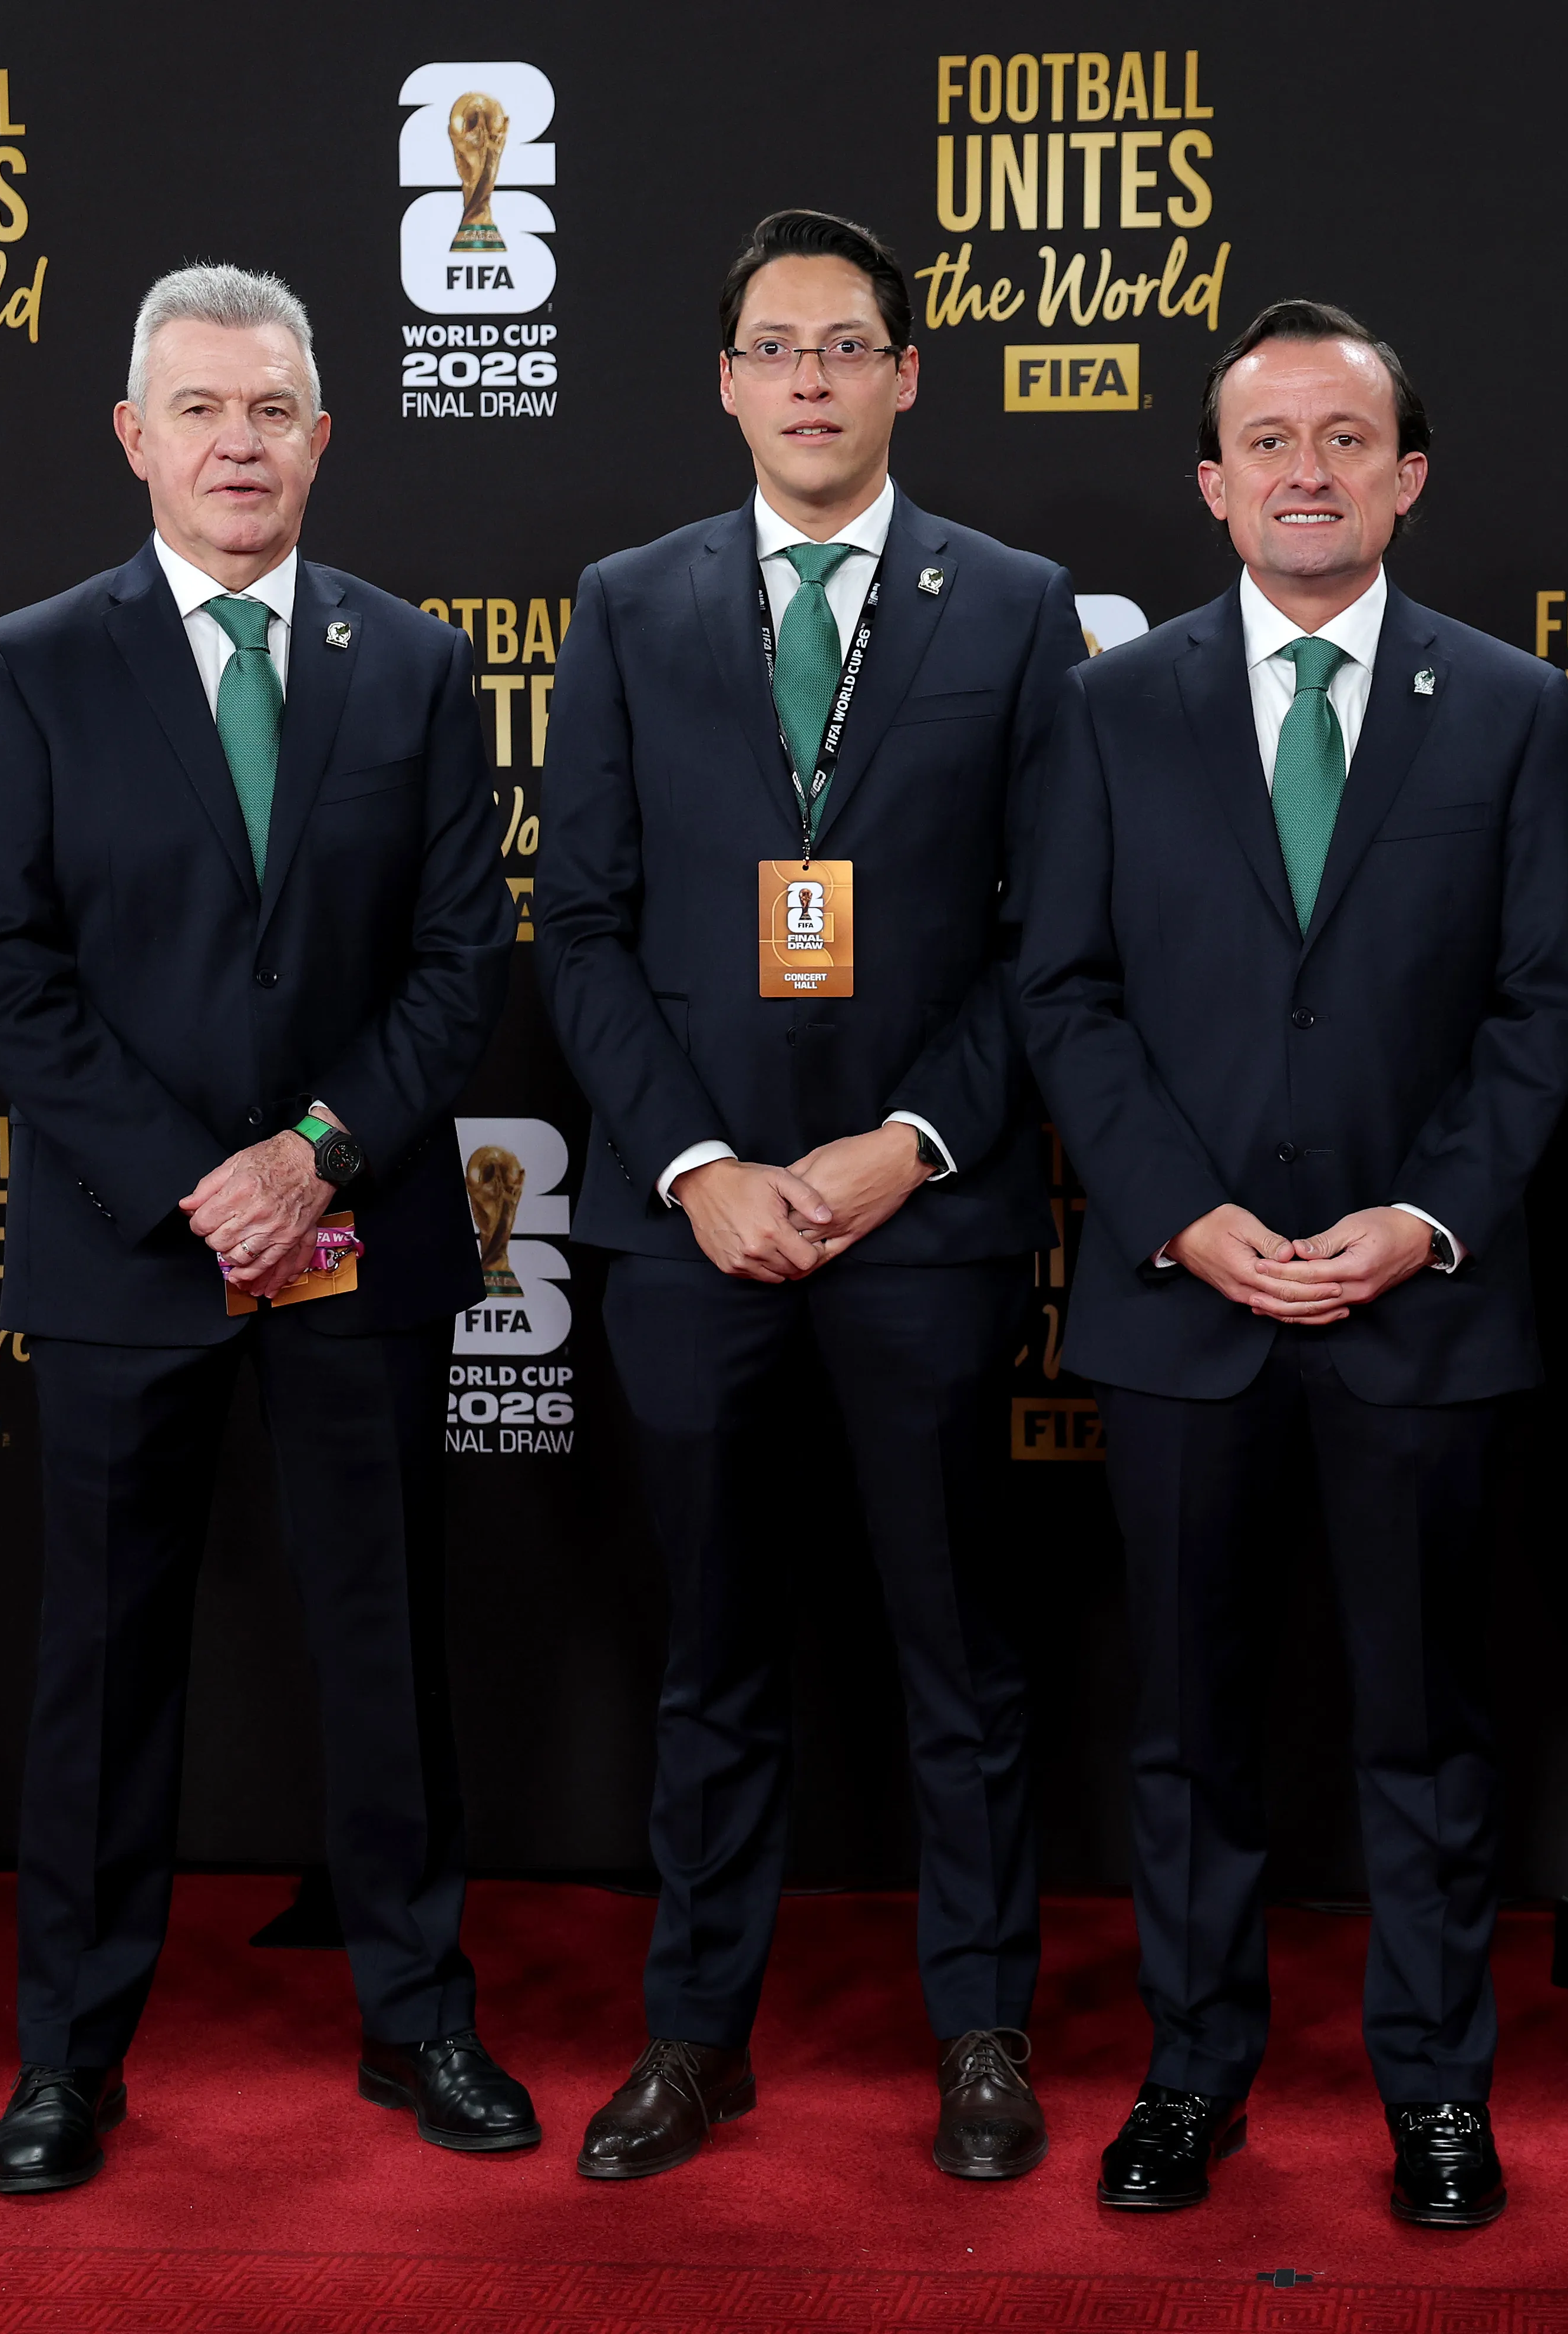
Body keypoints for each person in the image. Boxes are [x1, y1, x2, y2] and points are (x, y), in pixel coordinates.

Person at [0, 265, 527, 2193]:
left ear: (325, 436)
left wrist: (315, 1157)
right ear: (135, 437)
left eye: (272, 408)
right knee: (106, 1663)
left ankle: (420, 2018)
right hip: (131, 1246)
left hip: (361, 1232)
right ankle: (68, 2056)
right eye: (199, 408)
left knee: (389, 1645)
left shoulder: (414, 664)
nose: (238, 442)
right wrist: (205, 1186)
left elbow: (460, 961)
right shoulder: (32, 665)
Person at [1018, 301, 1568, 2226]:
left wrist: (1423, 1219)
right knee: (1188, 1732)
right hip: (1185, 1306)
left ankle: (1439, 2092)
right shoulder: (1111, 706)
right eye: (1269, 442)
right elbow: (1065, 994)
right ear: (1212, 484)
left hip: (1421, 1308)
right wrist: (1181, 1216)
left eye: (1347, 440)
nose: (1307, 473)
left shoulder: (1509, 707)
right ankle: (1193, 2073)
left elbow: (1542, 1005)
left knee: (1425, 1729)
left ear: (1408, 478)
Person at [534, 209, 1085, 2184]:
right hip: (694, 1231)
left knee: (960, 1655)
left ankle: (983, 2035)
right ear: (726, 381)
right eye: (775, 348)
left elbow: (1052, 941)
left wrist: (902, 1146)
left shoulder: (1014, 605)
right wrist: (699, 1168)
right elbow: (582, 927)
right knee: (710, 1656)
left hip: (923, 1222)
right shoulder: (628, 604)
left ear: (907, 374)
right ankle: (696, 2037)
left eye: (848, 345)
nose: (812, 380)